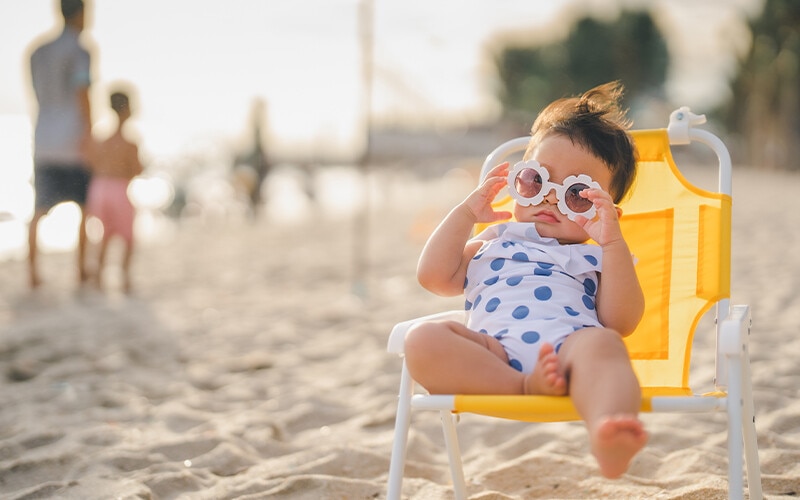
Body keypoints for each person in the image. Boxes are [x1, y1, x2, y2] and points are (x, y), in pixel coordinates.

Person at [404, 81, 647, 479]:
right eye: (536, 180)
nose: (550, 197)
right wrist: (466, 214)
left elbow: (621, 321)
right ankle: (522, 386)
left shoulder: (599, 255)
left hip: (570, 354)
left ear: (606, 213)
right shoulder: (490, 240)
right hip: (491, 356)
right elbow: (433, 277)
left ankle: (610, 429)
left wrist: (612, 242)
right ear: (518, 180)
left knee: (604, 344)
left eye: (578, 195)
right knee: (422, 341)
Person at [27, 0, 94, 288]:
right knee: (84, 207)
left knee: (39, 209)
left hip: (44, 137)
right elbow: (82, 94)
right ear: (80, 14)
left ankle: (33, 272)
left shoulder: (37, 52)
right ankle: (80, 269)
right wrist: (89, 134)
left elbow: (37, 94)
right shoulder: (80, 50)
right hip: (73, 139)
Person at [86, 90, 144, 293]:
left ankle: (99, 277)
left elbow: (92, 164)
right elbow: (136, 170)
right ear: (127, 110)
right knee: (128, 236)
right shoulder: (129, 143)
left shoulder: (102, 140)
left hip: (99, 188)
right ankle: (125, 277)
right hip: (119, 189)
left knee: (105, 234)